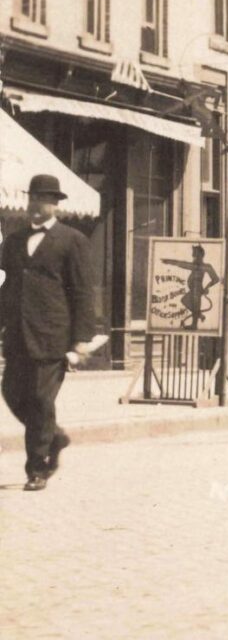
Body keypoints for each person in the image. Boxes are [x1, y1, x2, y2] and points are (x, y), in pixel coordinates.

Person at [0, 174, 104, 491]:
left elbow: (83, 293)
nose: (34, 205)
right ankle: (55, 437)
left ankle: (37, 467)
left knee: (41, 400)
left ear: (55, 204)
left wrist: (81, 340)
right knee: (12, 393)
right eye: (32, 199)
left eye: (42, 200)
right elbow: (6, 288)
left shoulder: (72, 240)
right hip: (18, 336)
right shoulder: (14, 240)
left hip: (52, 338)